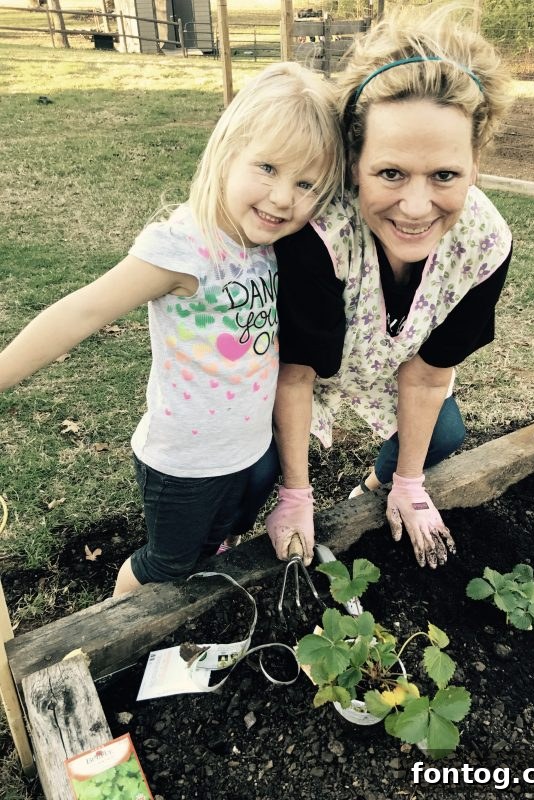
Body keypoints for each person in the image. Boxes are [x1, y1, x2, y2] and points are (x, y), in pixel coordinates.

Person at [0, 62, 344, 595]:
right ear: (228, 152)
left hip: (252, 450)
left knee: (218, 540)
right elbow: (82, 312)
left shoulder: (275, 245)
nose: (283, 198)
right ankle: (115, 635)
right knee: (165, 566)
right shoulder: (183, 247)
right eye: (268, 168)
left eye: (306, 184)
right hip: (185, 464)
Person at [266, 5, 514, 570]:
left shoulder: (485, 244)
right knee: (250, 465)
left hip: (386, 368)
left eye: (445, 175)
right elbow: (296, 373)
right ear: (354, 161)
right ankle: (226, 532)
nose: (416, 207)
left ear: (475, 162)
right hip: (297, 373)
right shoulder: (316, 236)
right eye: (391, 173)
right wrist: (298, 494)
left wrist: (408, 482)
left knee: (444, 430)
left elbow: (427, 374)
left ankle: (375, 489)